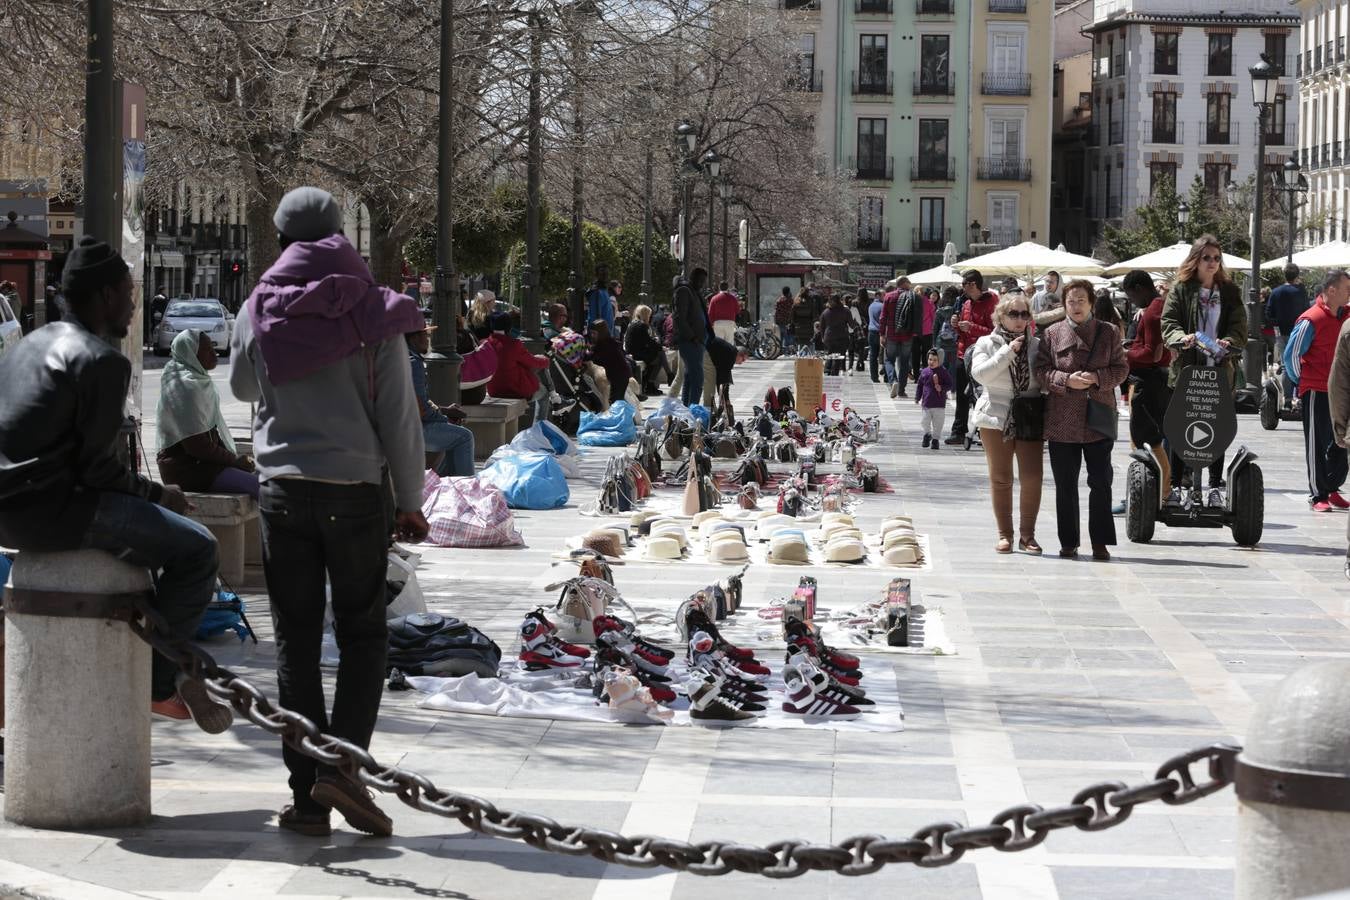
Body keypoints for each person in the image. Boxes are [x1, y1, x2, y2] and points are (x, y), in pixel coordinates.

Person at [229, 186, 428, 838]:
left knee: (296, 643)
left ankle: (309, 800)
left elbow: (236, 385)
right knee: (364, 635)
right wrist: (408, 500)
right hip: (355, 494)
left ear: (283, 240)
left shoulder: (258, 306)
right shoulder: (372, 312)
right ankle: (343, 768)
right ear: (344, 236)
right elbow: (397, 415)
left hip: (283, 491)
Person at [0, 236, 230, 733]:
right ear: (106, 296)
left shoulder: (28, 346)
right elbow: (96, 471)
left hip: (8, 511)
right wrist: (159, 495)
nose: (134, 304)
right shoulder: (103, 361)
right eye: (129, 293)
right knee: (198, 550)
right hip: (57, 509)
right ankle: (160, 679)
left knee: (155, 538)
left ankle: (162, 643)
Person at [1035, 278, 1129, 561]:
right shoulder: (1052, 333)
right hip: (1062, 418)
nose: (1076, 306)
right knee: (1065, 484)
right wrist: (1066, 380)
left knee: (1100, 481)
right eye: (1071, 301)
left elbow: (1121, 369)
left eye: (1081, 301)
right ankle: (1068, 542)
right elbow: (1041, 371)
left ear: (1091, 303)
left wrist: (1097, 378)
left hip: (1098, 416)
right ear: (1063, 305)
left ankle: (1099, 541)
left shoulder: (1109, 332)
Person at [1160, 235, 1247, 505]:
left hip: (1219, 370)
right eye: (1206, 257)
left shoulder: (1230, 291)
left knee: (1217, 426)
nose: (1212, 263)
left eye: (1216, 258)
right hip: (1188, 369)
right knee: (1178, 427)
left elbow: (1239, 326)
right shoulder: (1182, 289)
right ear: (1196, 260)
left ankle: (1213, 487)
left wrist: (1229, 341)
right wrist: (1181, 338)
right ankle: (1175, 485)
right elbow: (1169, 322)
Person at [970, 290, 1046, 554]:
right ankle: (1005, 535)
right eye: (1013, 314)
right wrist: (1008, 352)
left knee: (1033, 478)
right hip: (995, 415)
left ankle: (1028, 535)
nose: (1019, 319)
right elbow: (981, 375)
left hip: (1029, 413)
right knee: (1001, 478)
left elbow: (1044, 379)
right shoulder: (986, 343)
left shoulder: (1037, 345)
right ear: (1000, 315)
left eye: (1024, 314)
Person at [157, 329, 259, 498]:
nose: (214, 354)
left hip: (205, 465)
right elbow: (196, 445)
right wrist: (233, 461)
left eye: (213, 347)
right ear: (191, 354)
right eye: (206, 350)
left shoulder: (198, 382)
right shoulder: (184, 387)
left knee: (268, 481)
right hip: (187, 470)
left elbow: (211, 433)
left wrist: (235, 460)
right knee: (263, 490)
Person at [1283, 268, 1350, 512]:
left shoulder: (1346, 315)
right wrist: (1303, 383)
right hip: (1316, 389)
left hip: (1341, 391)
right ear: (1331, 291)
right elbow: (1291, 356)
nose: (1349, 293)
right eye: (1347, 289)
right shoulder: (1310, 319)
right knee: (1317, 443)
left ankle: (1332, 487)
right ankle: (1318, 494)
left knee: (1341, 441)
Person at [1122, 269, 1172, 498]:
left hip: (1147, 380)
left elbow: (1152, 353)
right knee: (1149, 438)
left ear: (1139, 289)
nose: (1132, 302)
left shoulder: (1152, 312)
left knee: (1145, 439)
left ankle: (1160, 492)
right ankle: (1155, 490)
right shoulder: (1160, 307)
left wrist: (1125, 354)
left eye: (1131, 296)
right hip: (1157, 379)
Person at [407, 324, 475, 477]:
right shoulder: (413, 363)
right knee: (464, 437)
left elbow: (418, 402)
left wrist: (444, 410)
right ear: (414, 338)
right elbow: (421, 409)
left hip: (399, 426)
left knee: (453, 438)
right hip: (410, 430)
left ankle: (447, 489)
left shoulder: (399, 357)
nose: (428, 339)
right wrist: (444, 418)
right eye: (425, 335)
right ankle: (469, 490)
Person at [945, 270, 998, 444]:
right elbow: (963, 331)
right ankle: (959, 431)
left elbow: (994, 332)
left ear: (974, 284)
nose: (963, 288)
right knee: (961, 394)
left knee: (981, 395)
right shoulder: (966, 303)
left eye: (964, 284)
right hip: (963, 354)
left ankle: (984, 430)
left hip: (983, 355)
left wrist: (972, 327)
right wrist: (957, 325)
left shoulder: (992, 303)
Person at [486, 311, 550, 421]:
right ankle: (539, 428)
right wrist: (545, 361)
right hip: (514, 390)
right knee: (544, 393)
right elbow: (532, 362)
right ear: (508, 326)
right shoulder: (513, 344)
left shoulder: (485, 344)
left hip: (494, 390)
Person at [1268, 264, 1312, 402]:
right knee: (1301, 362)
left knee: (1286, 365)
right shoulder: (1301, 292)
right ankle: (1299, 396)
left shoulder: (1276, 292)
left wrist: (1278, 323)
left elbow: (1268, 314)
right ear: (1297, 275)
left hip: (1281, 332)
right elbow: (1307, 311)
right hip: (1299, 332)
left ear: (1284, 275)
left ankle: (1287, 400)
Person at [673, 268, 709, 408]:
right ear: (692, 278)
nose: (701, 284)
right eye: (699, 280)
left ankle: (687, 408)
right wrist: (692, 337)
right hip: (690, 342)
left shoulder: (694, 292)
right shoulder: (684, 291)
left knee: (689, 377)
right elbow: (679, 317)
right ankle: (693, 408)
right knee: (697, 378)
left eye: (703, 281)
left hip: (697, 342)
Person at [881, 277, 919, 397]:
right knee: (904, 362)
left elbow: (883, 317)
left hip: (892, 334)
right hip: (907, 335)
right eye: (909, 283)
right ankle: (901, 390)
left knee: (888, 360)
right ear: (904, 284)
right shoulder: (913, 297)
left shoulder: (889, 296)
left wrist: (882, 334)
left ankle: (893, 381)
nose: (910, 285)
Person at [915, 348, 954, 451]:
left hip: (939, 404)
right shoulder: (924, 371)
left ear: (940, 361)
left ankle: (935, 439)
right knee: (924, 421)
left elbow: (950, 384)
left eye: (934, 360)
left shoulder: (943, 372)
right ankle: (927, 434)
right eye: (930, 359)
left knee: (938, 423)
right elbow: (920, 385)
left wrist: (942, 388)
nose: (931, 362)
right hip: (926, 403)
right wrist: (917, 397)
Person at [625, 304, 666, 396]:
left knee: (659, 355)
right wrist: (660, 346)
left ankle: (650, 384)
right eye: (649, 314)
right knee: (658, 358)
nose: (650, 316)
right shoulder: (641, 325)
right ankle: (650, 385)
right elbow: (648, 341)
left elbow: (645, 341)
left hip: (633, 351)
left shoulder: (633, 323)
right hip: (637, 353)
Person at [588, 319, 632, 404]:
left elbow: (594, 358)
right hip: (621, 374)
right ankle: (624, 415)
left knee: (615, 401)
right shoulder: (608, 342)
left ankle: (623, 416)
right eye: (591, 333)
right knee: (617, 400)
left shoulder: (605, 345)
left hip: (619, 376)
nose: (592, 336)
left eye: (594, 333)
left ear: (601, 334)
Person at [707, 336, 748, 425]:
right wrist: (726, 400)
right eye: (743, 359)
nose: (742, 363)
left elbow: (722, 380)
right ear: (739, 354)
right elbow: (723, 382)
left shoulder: (729, 352)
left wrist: (724, 398)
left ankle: (711, 411)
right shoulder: (730, 355)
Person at [817, 294, 853, 375]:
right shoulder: (845, 311)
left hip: (829, 337)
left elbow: (821, 326)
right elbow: (851, 325)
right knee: (838, 356)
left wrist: (823, 337)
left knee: (830, 353)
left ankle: (827, 371)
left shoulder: (825, 312)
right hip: (842, 336)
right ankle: (833, 373)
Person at [911, 287, 937, 384]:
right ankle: (926, 376)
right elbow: (933, 318)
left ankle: (917, 377)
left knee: (915, 355)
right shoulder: (930, 303)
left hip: (914, 333)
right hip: (927, 332)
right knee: (926, 355)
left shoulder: (912, 302)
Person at [586, 266, 614, 334]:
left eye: (606, 273)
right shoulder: (596, 291)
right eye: (602, 273)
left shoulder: (604, 291)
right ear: (596, 275)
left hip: (607, 335)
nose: (605, 275)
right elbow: (594, 317)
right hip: (600, 336)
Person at [865, 288, 883, 383]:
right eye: (883, 295)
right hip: (880, 333)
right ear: (878, 295)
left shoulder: (871, 306)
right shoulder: (882, 306)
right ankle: (886, 375)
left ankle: (874, 377)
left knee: (873, 355)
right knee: (885, 355)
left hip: (871, 332)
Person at [791, 287, 815, 351]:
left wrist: (795, 323)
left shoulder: (796, 302)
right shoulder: (811, 302)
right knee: (809, 343)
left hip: (799, 326)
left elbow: (792, 316)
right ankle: (808, 358)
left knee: (800, 344)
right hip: (808, 326)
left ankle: (801, 358)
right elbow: (814, 315)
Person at [774, 285, 794, 351]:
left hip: (779, 319)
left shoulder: (779, 300)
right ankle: (787, 348)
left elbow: (776, 310)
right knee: (786, 334)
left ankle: (781, 348)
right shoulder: (790, 300)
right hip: (787, 319)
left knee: (781, 334)